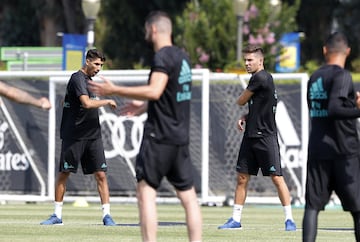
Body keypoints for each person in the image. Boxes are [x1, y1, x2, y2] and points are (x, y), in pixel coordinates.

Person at [90, 11, 202, 242]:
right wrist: (142, 107)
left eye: (145, 30)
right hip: (179, 138)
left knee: (146, 194)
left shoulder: (162, 57)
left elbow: (155, 90)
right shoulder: (183, 58)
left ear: (153, 30)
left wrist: (115, 90)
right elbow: (170, 95)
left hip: (159, 137)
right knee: (189, 198)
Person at [218, 45, 296, 231]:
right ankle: (235, 219)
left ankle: (289, 219)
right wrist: (247, 116)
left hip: (266, 138)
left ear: (260, 61)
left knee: (277, 178)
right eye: (245, 60)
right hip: (250, 136)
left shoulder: (261, 77)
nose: (246, 63)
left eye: (250, 60)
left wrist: (244, 108)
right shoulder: (261, 79)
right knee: (242, 178)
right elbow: (262, 105)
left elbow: (241, 100)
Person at [40, 49, 117, 226]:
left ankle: (107, 216)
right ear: (88, 61)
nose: (99, 68)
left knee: (101, 175)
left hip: (93, 136)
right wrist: (106, 101)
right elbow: (87, 103)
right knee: (64, 173)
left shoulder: (89, 82)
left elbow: (68, 101)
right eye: (97, 64)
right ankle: (57, 215)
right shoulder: (77, 78)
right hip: (74, 136)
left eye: (101, 65)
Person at [303, 32, 360, 241]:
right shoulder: (343, 76)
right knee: (358, 209)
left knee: (312, 207)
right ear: (348, 51)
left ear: (325, 50)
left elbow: (317, 110)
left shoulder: (314, 77)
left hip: (318, 149)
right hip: (344, 152)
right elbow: (335, 109)